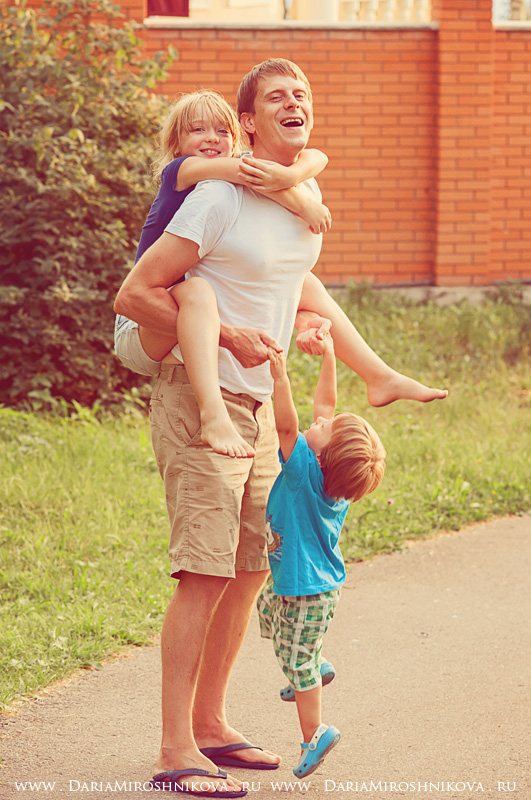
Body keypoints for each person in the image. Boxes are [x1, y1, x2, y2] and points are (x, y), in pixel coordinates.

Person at [113, 58, 446, 798]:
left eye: (302, 93)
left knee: (249, 568)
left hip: (261, 405)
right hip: (201, 398)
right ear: (248, 123)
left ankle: (210, 724)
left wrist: (317, 344)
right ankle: (174, 750)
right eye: (275, 96)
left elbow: (293, 287)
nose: (294, 102)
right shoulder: (217, 195)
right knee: (204, 570)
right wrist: (229, 336)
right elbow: (135, 294)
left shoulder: (302, 197)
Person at [115, 88, 330, 458]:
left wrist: (295, 172)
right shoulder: (180, 170)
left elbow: (318, 156)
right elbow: (248, 172)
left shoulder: (224, 186)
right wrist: (303, 203)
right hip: (141, 325)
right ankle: (213, 415)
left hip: (179, 317)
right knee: (198, 291)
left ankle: (376, 373)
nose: (211, 139)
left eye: (222, 131)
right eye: (198, 130)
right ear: (176, 143)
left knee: (304, 280)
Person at [257, 336, 385, 778]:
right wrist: (330, 353)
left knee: (297, 663)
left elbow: (287, 427)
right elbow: (326, 405)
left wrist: (281, 378)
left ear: (321, 456)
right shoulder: (334, 485)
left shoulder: (300, 472)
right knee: (267, 611)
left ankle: (314, 733)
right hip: (316, 588)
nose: (321, 420)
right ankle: (312, 665)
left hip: (305, 591)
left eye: (326, 428)